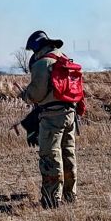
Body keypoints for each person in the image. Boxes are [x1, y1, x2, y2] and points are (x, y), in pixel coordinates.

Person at [19, 30, 77, 208]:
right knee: (68, 154)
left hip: (52, 117)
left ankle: (52, 199)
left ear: (37, 48)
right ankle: (70, 195)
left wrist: (25, 95)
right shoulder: (63, 57)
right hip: (70, 114)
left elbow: (36, 94)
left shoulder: (42, 64)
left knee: (50, 157)